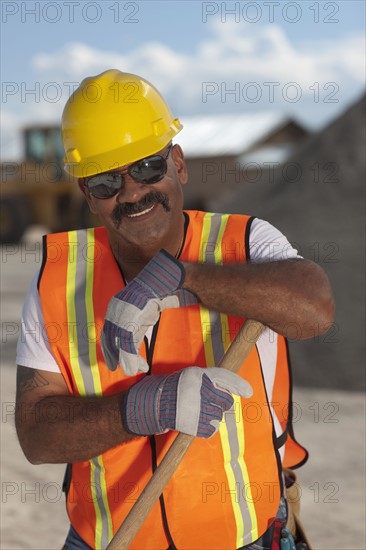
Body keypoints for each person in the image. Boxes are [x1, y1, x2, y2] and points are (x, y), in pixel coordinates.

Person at [15, 69, 335, 550]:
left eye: (146, 167)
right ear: (87, 195)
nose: (131, 191)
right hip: (106, 540)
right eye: (105, 180)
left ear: (178, 163)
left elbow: (315, 308)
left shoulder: (245, 244)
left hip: (243, 538)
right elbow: (36, 436)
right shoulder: (58, 280)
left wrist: (186, 279)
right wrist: (141, 408)